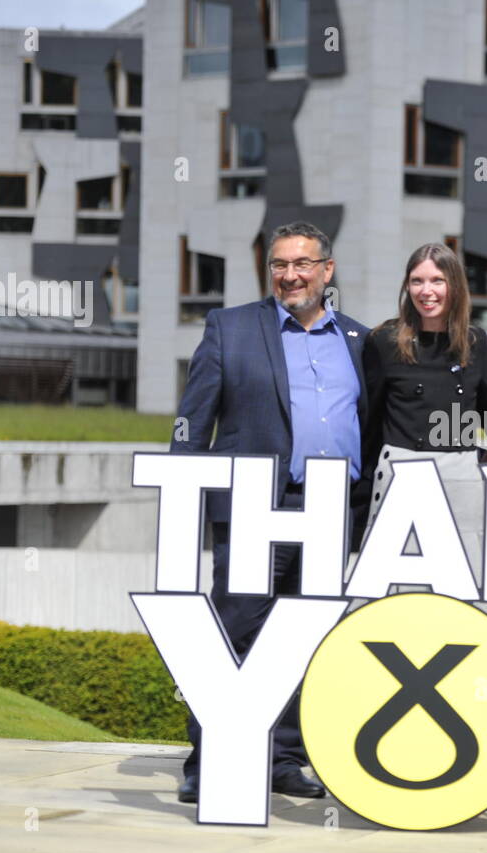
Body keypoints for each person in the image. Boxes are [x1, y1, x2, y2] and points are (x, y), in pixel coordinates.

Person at [169, 221, 368, 803]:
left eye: (303, 264)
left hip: (331, 511)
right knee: (233, 635)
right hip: (255, 506)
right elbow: (192, 421)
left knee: (303, 642)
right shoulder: (230, 328)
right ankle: (208, 762)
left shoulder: (359, 340)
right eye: (280, 265)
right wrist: (187, 495)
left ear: (326, 271)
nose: (290, 275)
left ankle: (283, 758)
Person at [361, 243, 487, 594]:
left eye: (437, 280)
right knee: (395, 588)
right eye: (417, 281)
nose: (426, 291)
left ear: (455, 285)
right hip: (400, 472)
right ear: (407, 286)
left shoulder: (477, 342)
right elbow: (370, 423)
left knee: (464, 586)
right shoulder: (383, 341)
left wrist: (479, 459)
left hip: (461, 476)